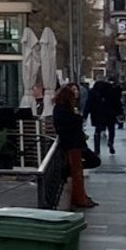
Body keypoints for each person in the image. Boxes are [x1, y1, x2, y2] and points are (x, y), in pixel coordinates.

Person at [52, 82, 96, 210]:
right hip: (73, 145)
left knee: (79, 171)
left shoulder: (61, 110)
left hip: (74, 144)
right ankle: (80, 198)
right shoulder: (64, 111)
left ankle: (80, 195)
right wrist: (77, 118)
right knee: (77, 173)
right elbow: (73, 123)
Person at [86, 76, 121, 158]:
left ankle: (97, 149)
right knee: (111, 129)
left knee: (97, 131)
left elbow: (88, 104)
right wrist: (119, 113)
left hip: (97, 114)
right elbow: (117, 102)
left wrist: (85, 115)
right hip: (110, 114)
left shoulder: (93, 91)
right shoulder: (111, 90)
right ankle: (110, 142)